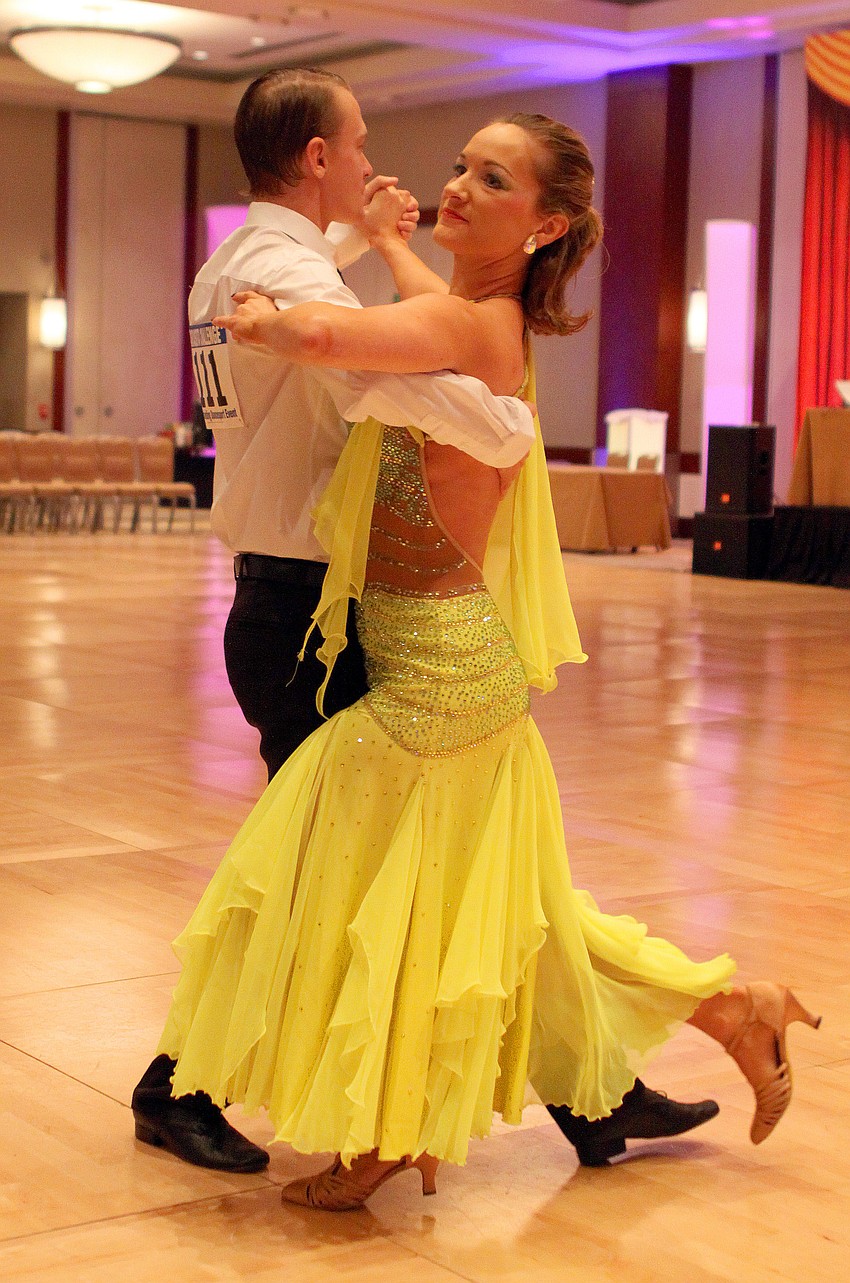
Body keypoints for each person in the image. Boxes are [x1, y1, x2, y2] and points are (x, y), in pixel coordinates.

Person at [147, 111, 820, 1211]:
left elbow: (328, 337)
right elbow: (432, 309)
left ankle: (385, 1129)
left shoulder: (460, 324)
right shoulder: (465, 314)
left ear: (545, 224)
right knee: (490, 905)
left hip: (436, 672)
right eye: (461, 165)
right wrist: (391, 239)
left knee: (361, 886)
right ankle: (711, 1020)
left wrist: (269, 319)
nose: (454, 184)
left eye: (491, 179)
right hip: (421, 654)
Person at [131, 67, 538, 1176]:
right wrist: (502, 418)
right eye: (357, 146)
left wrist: (365, 242)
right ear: (318, 157)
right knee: (307, 863)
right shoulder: (287, 277)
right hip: (306, 611)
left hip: (285, 600)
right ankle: (178, 1082)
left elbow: (319, 296)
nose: (370, 164)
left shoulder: (238, 257)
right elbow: (370, 375)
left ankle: (588, 1083)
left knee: (351, 857)